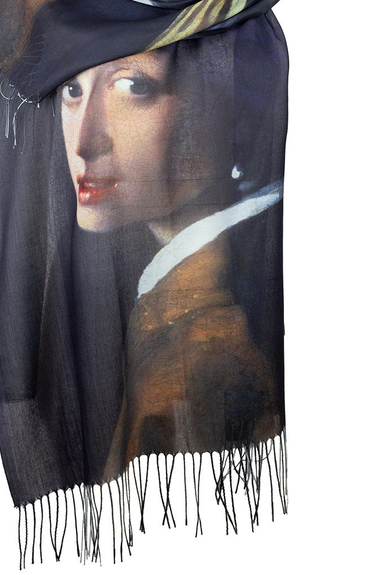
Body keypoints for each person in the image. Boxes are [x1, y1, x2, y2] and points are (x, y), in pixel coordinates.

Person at [58, 25, 285, 483]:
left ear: (236, 113)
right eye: (72, 90)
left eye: (133, 86)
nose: (84, 141)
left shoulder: (207, 346)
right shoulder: (185, 296)